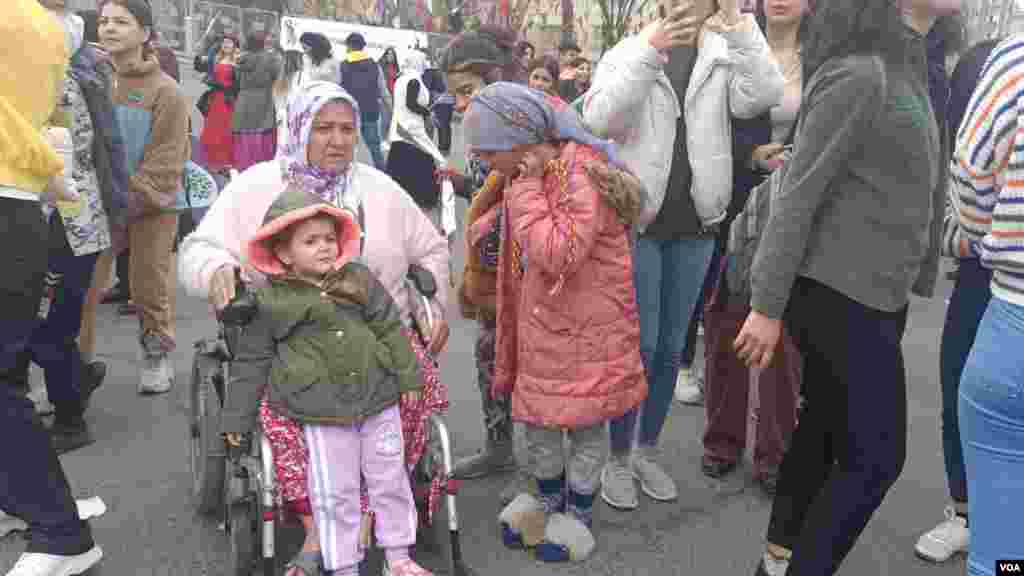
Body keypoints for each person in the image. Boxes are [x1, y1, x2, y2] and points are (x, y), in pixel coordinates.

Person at [179, 81, 450, 574]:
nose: (338, 140)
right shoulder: (257, 186)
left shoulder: (381, 189)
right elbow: (199, 248)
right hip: (290, 335)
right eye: (324, 128)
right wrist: (217, 271)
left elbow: (430, 250)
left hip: (376, 328)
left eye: (347, 129)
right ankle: (316, 528)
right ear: (299, 128)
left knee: (414, 389)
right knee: (286, 410)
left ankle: (373, 514)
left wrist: (432, 307)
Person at [734, 1, 944, 573]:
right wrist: (766, 305)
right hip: (837, 293)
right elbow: (798, 193)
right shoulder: (861, 71)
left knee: (824, 429)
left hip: (877, 294)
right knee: (877, 458)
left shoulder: (905, 62)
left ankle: (777, 561)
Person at [585, 0, 784, 511]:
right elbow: (599, 117)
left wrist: (739, 26)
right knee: (641, 346)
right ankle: (617, 456)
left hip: (698, 223)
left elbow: (766, 93)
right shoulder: (630, 50)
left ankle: (646, 450)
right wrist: (650, 51)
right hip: (639, 223)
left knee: (672, 349)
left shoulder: (722, 52)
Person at [464, 82, 646, 563]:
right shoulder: (534, 170)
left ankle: (578, 513)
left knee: (583, 423)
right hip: (547, 327)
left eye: (489, 151)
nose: (484, 162)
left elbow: (557, 252)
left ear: (518, 142)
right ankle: (548, 502)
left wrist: (523, 192)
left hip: (586, 331)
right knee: (541, 421)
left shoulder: (578, 172)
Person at [219, 185, 434, 576]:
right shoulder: (271, 302)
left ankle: (399, 556)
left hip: (377, 395)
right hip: (319, 409)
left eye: (329, 239)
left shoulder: (358, 279)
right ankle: (343, 564)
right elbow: (252, 361)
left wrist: (409, 378)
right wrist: (236, 418)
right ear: (284, 253)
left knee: (390, 479)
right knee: (336, 494)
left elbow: (390, 327)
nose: (324, 247)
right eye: (311, 241)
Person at [0, 1, 104, 574]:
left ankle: (59, 529)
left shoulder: (21, 20)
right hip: (20, 203)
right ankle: (31, 507)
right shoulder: (38, 24)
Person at [699, 0, 806, 494]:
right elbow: (708, 125)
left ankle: (775, 454)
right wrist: (749, 155)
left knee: (784, 338)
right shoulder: (731, 44)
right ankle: (722, 442)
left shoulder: (824, 57)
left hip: (797, 205)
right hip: (739, 200)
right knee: (727, 326)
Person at [27, 3, 131, 454]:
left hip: (68, 219)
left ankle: (71, 417)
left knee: (48, 325)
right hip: (48, 214)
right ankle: (76, 376)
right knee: (45, 323)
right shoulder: (56, 66)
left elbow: (81, 148)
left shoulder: (65, 74)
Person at [947, 32, 1024, 576]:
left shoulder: (1016, 60)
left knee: (1002, 553)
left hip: (1012, 328)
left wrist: (987, 238)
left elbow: (971, 175)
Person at [438, 27, 527, 494]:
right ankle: (499, 447)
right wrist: (460, 183)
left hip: (532, 273)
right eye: (455, 94)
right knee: (489, 356)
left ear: (497, 79)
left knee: (536, 367)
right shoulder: (480, 130)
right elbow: (485, 190)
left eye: (467, 91)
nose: (459, 104)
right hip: (491, 272)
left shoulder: (530, 128)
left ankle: (546, 475)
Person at [101, 0, 191, 395]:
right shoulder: (92, 78)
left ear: (145, 33)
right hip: (97, 201)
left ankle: (156, 354)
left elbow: (168, 159)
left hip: (152, 204)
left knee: (147, 286)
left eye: (121, 22)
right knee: (78, 287)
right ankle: (69, 366)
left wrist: (131, 196)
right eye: (105, 21)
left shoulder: (166, 91)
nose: (109, 28)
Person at [386, 50, 449, 231]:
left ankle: (400, 196)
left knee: (401, 163)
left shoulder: (401, 79)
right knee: (426, 161)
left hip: (401, 127)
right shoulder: (413, 80)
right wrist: (428, 112)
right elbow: (411, 103)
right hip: (412, 128)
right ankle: (424, 197)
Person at [339, 32, 390, 170]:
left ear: (349, 47)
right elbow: (383, 91)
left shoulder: (343, 66)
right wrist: (391, 109)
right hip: (370, 112)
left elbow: (338, 90)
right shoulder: (374, 65)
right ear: (362, 47)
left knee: (347, 146)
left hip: (349, 113)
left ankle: (346, 174)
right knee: (375, 147)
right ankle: (382, 173)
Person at [233, 32, 281, 171]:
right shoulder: (270, 59)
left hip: (244, 98)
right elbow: (277, 76)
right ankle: (260, 166)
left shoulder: (240, 59)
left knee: (245, 132)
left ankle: (244, 164)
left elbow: (236, 79)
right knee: (262, 131)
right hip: (264, 97)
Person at [199, 34, 239, 173]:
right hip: (215, 99)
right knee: (212, 129)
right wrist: (209, 80)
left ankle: (225, 163)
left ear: (235, 46)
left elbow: (238, 84)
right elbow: (207, 71)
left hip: (228, 101)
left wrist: (225, 87)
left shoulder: (238, 62)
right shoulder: (217, 59)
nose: (226, 45)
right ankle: (210, 160)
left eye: (229, 43)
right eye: (224, 42)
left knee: (225, 130)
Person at [273, 49, 305, 153]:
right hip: (293, 120)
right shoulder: (301, 77)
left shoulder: (279, 80)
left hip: (282, 120)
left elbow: (277, 103)